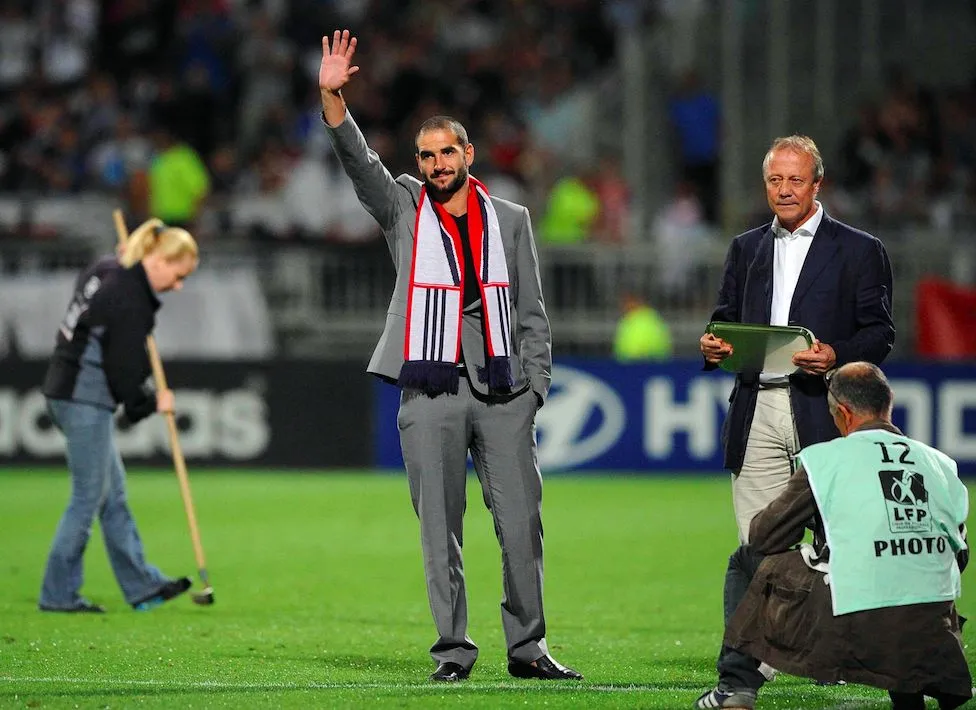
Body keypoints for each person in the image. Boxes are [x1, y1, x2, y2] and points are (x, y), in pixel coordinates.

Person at [318, 30, 581, 683]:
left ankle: (528, 648)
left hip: (503, 387)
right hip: (429, 386)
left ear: (469, 153)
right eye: (426, 155)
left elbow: (533, 315)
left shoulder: (512, 219)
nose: (436, 165)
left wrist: (535, 391)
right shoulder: (403, 204)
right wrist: (333, 99)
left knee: (522, 529)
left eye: (446, 153)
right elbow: (360, 165)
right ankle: (453, 652)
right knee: (440, 532)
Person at [695, 362, 972, 710]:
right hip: (933, 635)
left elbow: (765, 537)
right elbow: (957, 555)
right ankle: (909, 691)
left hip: (852, 630)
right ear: (889, 402)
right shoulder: (941, 464)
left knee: (746, 559)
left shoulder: (825, 460)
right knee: (913, 571)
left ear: (842, 412)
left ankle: (735, 687)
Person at [700, 135, 895, 545]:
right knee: (759, 545)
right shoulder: (745, 247)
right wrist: (714, 345)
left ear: (817, 184)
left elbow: (880, 333)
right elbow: (724, 319)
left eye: (795, 180)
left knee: (838, 542)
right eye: (774, 180)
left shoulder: (860, 250)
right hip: (756, 407)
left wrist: (836, 354)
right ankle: (770, 611)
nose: (784, 190)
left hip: (827, 408)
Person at [39, 218, 199, 613]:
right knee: (87, 498)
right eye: (177, 276)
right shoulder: (129, 296)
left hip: (67, 390)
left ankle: (142, 585)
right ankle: (58, 595)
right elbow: (124, 371)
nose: (177, 286)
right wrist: (150, 402)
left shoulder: (107, 269)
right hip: (83, 398)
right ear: (159, 259)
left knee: (113, 497)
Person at [613, 291, 672, 361]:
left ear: (638, 302)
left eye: (628, 302)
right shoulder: (628, 320)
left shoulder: (646, 320)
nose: (624, 306)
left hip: (645, 363)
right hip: (630, 364)